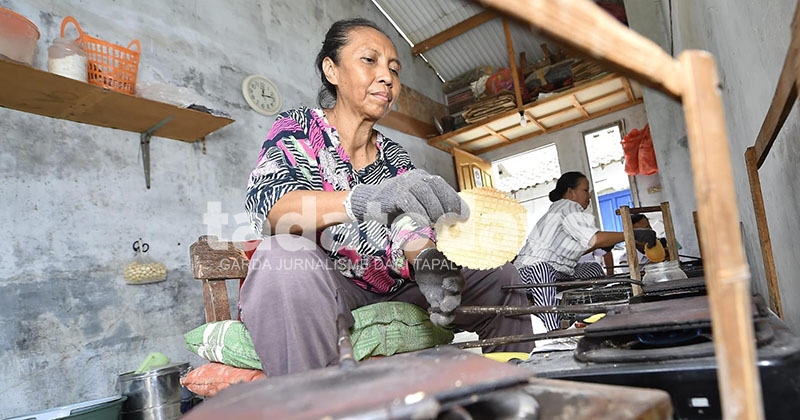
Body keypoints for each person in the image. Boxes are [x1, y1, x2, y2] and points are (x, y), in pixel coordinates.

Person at [240, 18, 533, 376]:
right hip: (335, 282)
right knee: (281, 257)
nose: (387, 77)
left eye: (394, 69)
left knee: (500, 277)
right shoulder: (299, 128)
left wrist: (425, 261)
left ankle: (513, 385)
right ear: (331, 70)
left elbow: (409, 226)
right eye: (370, 61)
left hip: (395, 283)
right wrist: (364, 199)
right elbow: (273, 207)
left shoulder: (395, 156)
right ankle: (313, 407)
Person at [514, 172, 656, 331]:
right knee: (541, 269)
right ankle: (553, 331)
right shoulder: (567, 206)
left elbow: (579, 247)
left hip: (557, 272)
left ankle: (591, 314)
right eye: (585, 190)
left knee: (593, 268)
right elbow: (594, 238)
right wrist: (632, 234)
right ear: (570, 192)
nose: (589, 195)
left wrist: (606, 243)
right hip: (526, 275)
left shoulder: (568, 212)